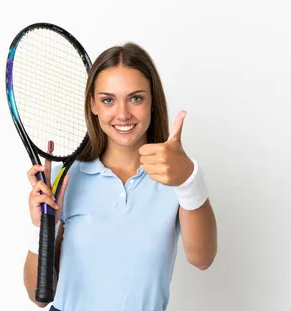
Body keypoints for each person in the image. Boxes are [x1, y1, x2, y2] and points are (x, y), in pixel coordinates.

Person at [23, 42, 217, 311]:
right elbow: (39, 297)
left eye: (136, 98)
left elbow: (202, 258)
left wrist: (189, 181)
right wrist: (43, 226)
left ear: (152, 101)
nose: (123, 113)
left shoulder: (174, 177)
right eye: (108, 100)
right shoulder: (66, 179)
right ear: (93, 104)